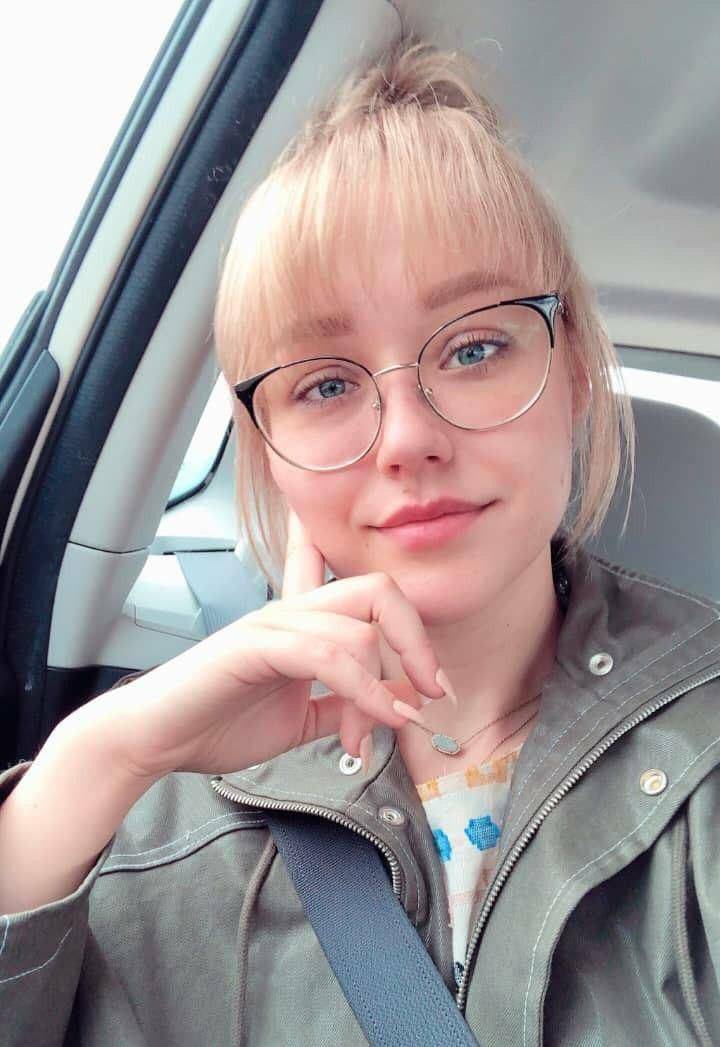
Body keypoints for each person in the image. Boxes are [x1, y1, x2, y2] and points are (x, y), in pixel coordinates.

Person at [1, 38, 719, 1047]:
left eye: (474, 347)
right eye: (327, 384)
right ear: (269, 454)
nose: (408, 438)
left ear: (573, 377)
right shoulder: (144, 809)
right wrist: (92, 760)